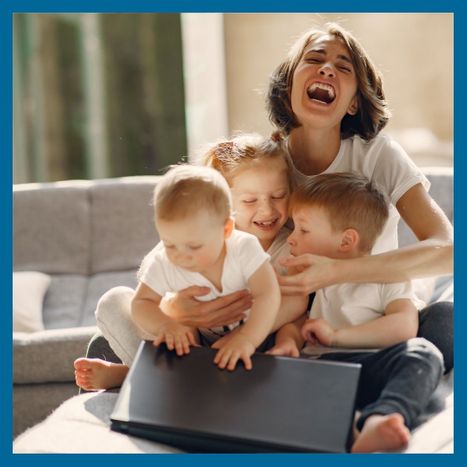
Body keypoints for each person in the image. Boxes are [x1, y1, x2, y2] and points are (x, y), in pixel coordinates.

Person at [266, 22, 453, 371]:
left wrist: (336, 271)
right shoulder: (269, 161)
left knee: (447, 323)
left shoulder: (378, 155)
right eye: (315, 59)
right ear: (289, 85)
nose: (326, 68)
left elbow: (449, 250)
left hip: (381, 307)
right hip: (304, 317)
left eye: (342, 67)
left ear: (353, 103)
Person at [75, 134, 306, 389]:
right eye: (250, 200)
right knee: (114, 302)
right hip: (187, 344)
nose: (267, 210)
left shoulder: (287, 244)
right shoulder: (184, 244)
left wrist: (244, 336)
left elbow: (297, 301)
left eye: (279, 195)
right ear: (222, 205)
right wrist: (168, 322)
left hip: (253, 344)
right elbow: (147, 297)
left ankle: (137, 376)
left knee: (291, 324)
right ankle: (174, 377)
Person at [268, 173, 444, 453]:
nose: (291, 239)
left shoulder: (388, 276)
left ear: (346, 240)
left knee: (423, 354)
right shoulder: (307, 275)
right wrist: (287, 341)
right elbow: (298, 319)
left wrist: (337, 336)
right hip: (317, 370)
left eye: (303, 230)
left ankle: (379, 419)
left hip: (370, 366)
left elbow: (403, 327)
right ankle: (341, 425)